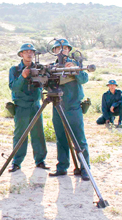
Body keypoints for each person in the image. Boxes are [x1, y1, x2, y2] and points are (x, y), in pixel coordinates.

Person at [48, 38, 90, 181]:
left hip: (73, 107)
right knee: (61, 139)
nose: (62, 51)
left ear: (69, 51)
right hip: (57, 106)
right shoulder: (51, 67)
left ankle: (85, 169)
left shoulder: (75, 64)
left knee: (79, 139)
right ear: (54, 51)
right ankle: (62, 167)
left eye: (65, 48)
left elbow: (84, 79)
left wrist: (74, 70)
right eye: (58, 49)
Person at [8, 43, 49, 172]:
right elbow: (13, 87)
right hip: (22, 106)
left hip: (36, 106)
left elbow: (46, 83)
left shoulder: (39, 68)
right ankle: (17, 162)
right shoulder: (14, 70)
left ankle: (40, 160)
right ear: (21, 54)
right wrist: (23, 76)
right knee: (20, 135)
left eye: (31, 52)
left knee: (38, 134)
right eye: (26, 52)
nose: (29, 54)